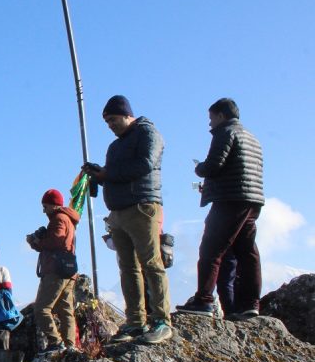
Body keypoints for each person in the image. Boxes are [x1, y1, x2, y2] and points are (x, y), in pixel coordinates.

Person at [82, 95, 173, 344]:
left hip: (143, 207)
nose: (110, 125)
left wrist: (107, 173)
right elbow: (114, 175)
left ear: (126, 114)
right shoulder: (115, 146)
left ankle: (162, 319)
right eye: (107, 122)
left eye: (112, 120)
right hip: (118, 212)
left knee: (151, 263)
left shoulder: (148, 133)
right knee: (128, 268)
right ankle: (135, 321)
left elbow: (144, 164)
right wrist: (98, 176)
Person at [176, 98, 264, 320]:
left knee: (211, 250)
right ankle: (250, 303)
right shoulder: (252, 138)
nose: (210, 124)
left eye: (211, 118)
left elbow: (214, 165)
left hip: (229, 199)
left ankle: (204, 300)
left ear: (221, 115)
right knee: (247, 251)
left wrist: (199, 168)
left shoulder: (225, 133)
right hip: (252, 199)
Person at [28, 189, 80, 352]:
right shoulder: (69, 219)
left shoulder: (58, 219)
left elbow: (55, 242)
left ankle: (55, 342)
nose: (44, 210)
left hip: (55, 270)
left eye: (45, 206)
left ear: (53, 204)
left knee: (42, 308)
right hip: (69, 271)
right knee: (66, 310)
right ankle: (70, 345)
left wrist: (35, 241)